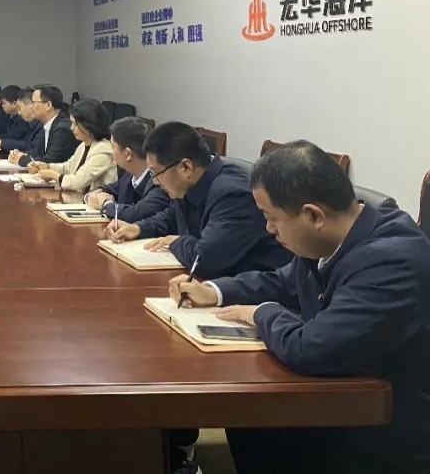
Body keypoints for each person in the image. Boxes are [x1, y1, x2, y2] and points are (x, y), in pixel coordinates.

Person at [172, 141, 430, 474]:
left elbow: (311, 348)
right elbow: (284, 281)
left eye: (271, 218)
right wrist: (215, 290)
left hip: (384, 428)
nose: (268, 229)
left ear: (313, 215)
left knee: (252, 412)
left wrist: (261, 313)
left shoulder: (392, 261)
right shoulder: (340, 234)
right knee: (248, 413)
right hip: (344, 392)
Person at [106, 121, 289, 278]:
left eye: (155, 173)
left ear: (185, 167)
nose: (155, 182)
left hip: (258, 291)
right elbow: (170, 216)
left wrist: (176, 242)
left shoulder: (233, 194)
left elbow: (205, 258)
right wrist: (138, 228)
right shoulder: (192, 183)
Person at [83, 116, 170, 222]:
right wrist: (96, 194)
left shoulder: (159, 181)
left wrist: (105, 203)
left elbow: (134, 214)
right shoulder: (130, 174)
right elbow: (111, 188)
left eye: (113, 146)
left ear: (128, 154)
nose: (111, 151)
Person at [30, 98, 116, 192]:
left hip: (93, 200)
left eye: (75, 124)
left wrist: (53, 175)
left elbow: (78, 182)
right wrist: (46, 167)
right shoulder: (84, 145)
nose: (71, 128)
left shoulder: (103, 150)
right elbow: (67, 168)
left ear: (89, 124)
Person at [8, 85, 77, 167]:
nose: (30, 107)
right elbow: (38, 152)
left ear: (48, 105)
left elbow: (50, 162)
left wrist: (22, 159)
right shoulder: (46, 124)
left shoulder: (62, 129)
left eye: (33, 102)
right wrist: (20, 155)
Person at [0, 85, 31, 152]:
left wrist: (0, 142)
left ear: (14, 104)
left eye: (4, 103)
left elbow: (16, 139)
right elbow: (9, 135)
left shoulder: (23, 120)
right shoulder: (14, 118)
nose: (2, 106)